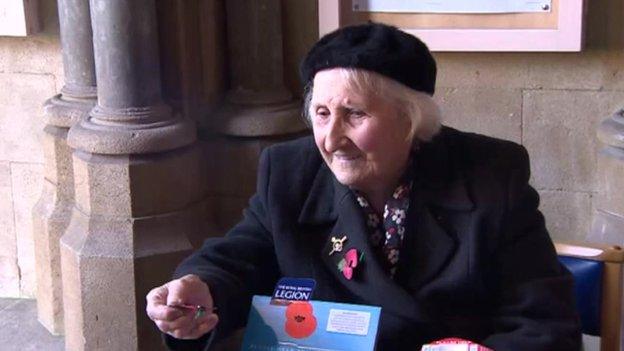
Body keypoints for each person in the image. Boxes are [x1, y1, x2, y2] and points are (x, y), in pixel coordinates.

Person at [146, 22, 581, 350]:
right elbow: (239, 259)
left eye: (354, 114)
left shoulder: (490, 178)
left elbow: (545, 323)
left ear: (410, 120)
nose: (331, 139)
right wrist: (201, 288)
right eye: (320, 113)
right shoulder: (290, 172)